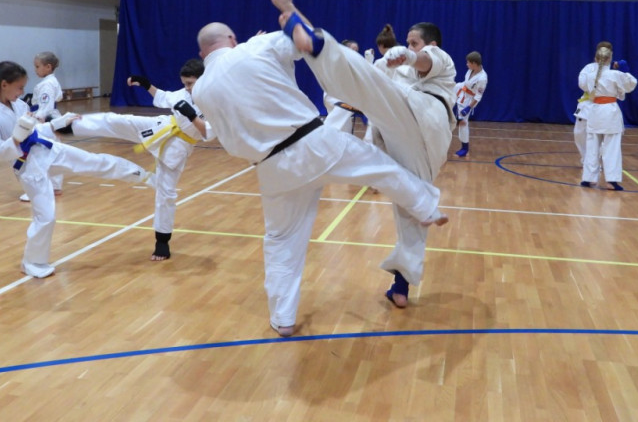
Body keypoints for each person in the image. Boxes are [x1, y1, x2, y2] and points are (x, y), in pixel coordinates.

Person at [192, 21, 447, 338]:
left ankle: (283, 317)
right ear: (232, 38)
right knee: (381, 167)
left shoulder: (200, 89)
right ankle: (426, 207)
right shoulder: (254, 47)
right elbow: (303, 42)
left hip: (270, 168)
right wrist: (277, 29)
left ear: (202, 53)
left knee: (281, 242)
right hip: (312, 143)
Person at [267, 0, 456, 310]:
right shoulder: (390, 67)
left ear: (431, 44)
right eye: (409, 42)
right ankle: (401, 286)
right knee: (412, 203)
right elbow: (355, 73)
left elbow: (426, 60)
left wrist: (411, 55)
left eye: (415, 42)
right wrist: (295, 16)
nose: (410, 46)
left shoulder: (440, 62)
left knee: (367, 82)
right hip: (410, 135)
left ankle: (308, 35)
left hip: (426, 115)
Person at [0, 61, 154, 278]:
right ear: (4, 84)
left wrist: (56, 124)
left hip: (46, 149)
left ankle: (144, 176)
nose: (22, 92)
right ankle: (32, 262)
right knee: (46, 217)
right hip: (28, 167)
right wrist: (16, 137)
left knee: (94, 161)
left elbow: (35, 129)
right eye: (19, 87)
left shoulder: (18, 105)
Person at [69, 59, 212, 261]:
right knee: (118, 120)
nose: (187, 88)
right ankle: (68, 125)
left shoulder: (216, 102)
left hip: (179, 146)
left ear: (203, 80)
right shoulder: (183, 94)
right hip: (161, 126)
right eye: (185, 84)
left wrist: (192, 116)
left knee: (166, 193)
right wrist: (146, 85)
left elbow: (207, 133)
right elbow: (163, 97)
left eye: (190, 83)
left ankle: (162, 241)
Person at [579, 45, 637, 190]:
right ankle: (611, 179)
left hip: (595, 111)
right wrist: (625, 71)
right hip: (610, 112)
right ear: (610, 59)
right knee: (612, 147)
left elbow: (584, 86)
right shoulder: (614, 74)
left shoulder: (590, 75)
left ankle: (588, 178)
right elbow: (631, 85)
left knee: (592, 146)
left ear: (596, 59)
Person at [20, 51, 65, 202]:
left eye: (37, 66)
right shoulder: (52, 81)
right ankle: (55, 186)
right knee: (54, 153)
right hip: (53, 119)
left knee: (38, 154)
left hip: (45, 120)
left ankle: (36, 190)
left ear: (48, 67)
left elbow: (46, 105)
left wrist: (38, 120)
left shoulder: (46, 84)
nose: (35, 70)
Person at [573, 41, 614, 164]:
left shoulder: (613, 70)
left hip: (604, 105)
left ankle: (594, 162)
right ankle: (586, 159)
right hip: (587, 104)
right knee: (579, 133)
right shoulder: (589, 68)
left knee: (599, 137)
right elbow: (582, 84)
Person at [323, 40, 366, 134]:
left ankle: (328, 137)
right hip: (333, 96)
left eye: (357, 50)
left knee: (344, 129)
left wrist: (368, 60)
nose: (355, 52)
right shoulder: (337, 61)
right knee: (340, 115)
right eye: (353, 49)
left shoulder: (353, 64)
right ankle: (321, 135)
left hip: (344, 98)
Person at [453, 51, 487, 157]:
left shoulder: (482, 78)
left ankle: (465, 148)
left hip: (468, 100)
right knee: (446, 90)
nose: (467, 64)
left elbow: (478, 96)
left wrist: (468, 107)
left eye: (468, 62)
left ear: (474, 63)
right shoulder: (471, 70)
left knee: (463, 122)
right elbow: (466, 83)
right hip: (461, 88)